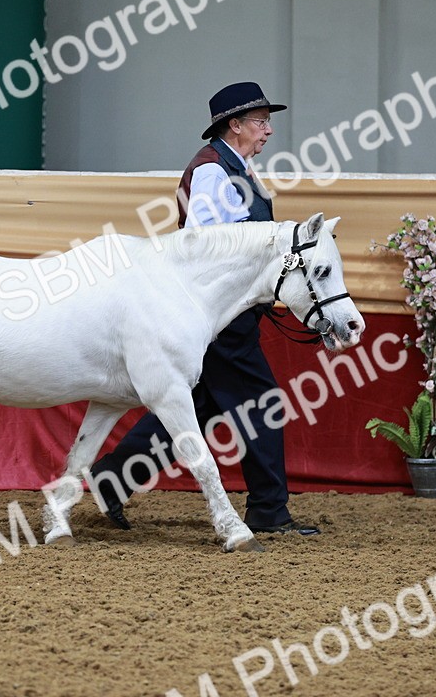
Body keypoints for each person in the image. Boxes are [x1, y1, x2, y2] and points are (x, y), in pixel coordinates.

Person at [89, 82, 319, 536]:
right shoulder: (215, 172)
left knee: (191, 409)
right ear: (234, 126)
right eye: (261, 122)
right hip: (222, 320)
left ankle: (110, 481)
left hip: (224, 316)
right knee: (263, 406)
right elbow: (208, 247)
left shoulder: (238, 167)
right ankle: (269, 511)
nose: (269, 131)